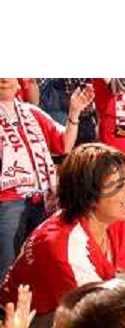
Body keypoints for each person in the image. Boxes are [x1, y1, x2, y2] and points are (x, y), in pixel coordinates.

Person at [0, 144, 125, 328]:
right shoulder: (62, 245)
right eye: (119, 184)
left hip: (71, 306)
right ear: (89, 193)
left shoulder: (111, 218)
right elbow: (100, 316)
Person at [0, 78, 94, 281]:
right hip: (8, 202)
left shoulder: (31, 112)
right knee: (7, 267)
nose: (4, 79)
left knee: (41, 261)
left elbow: (63, 146)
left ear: (19, 83)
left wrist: (74, 112)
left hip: (45, 198)